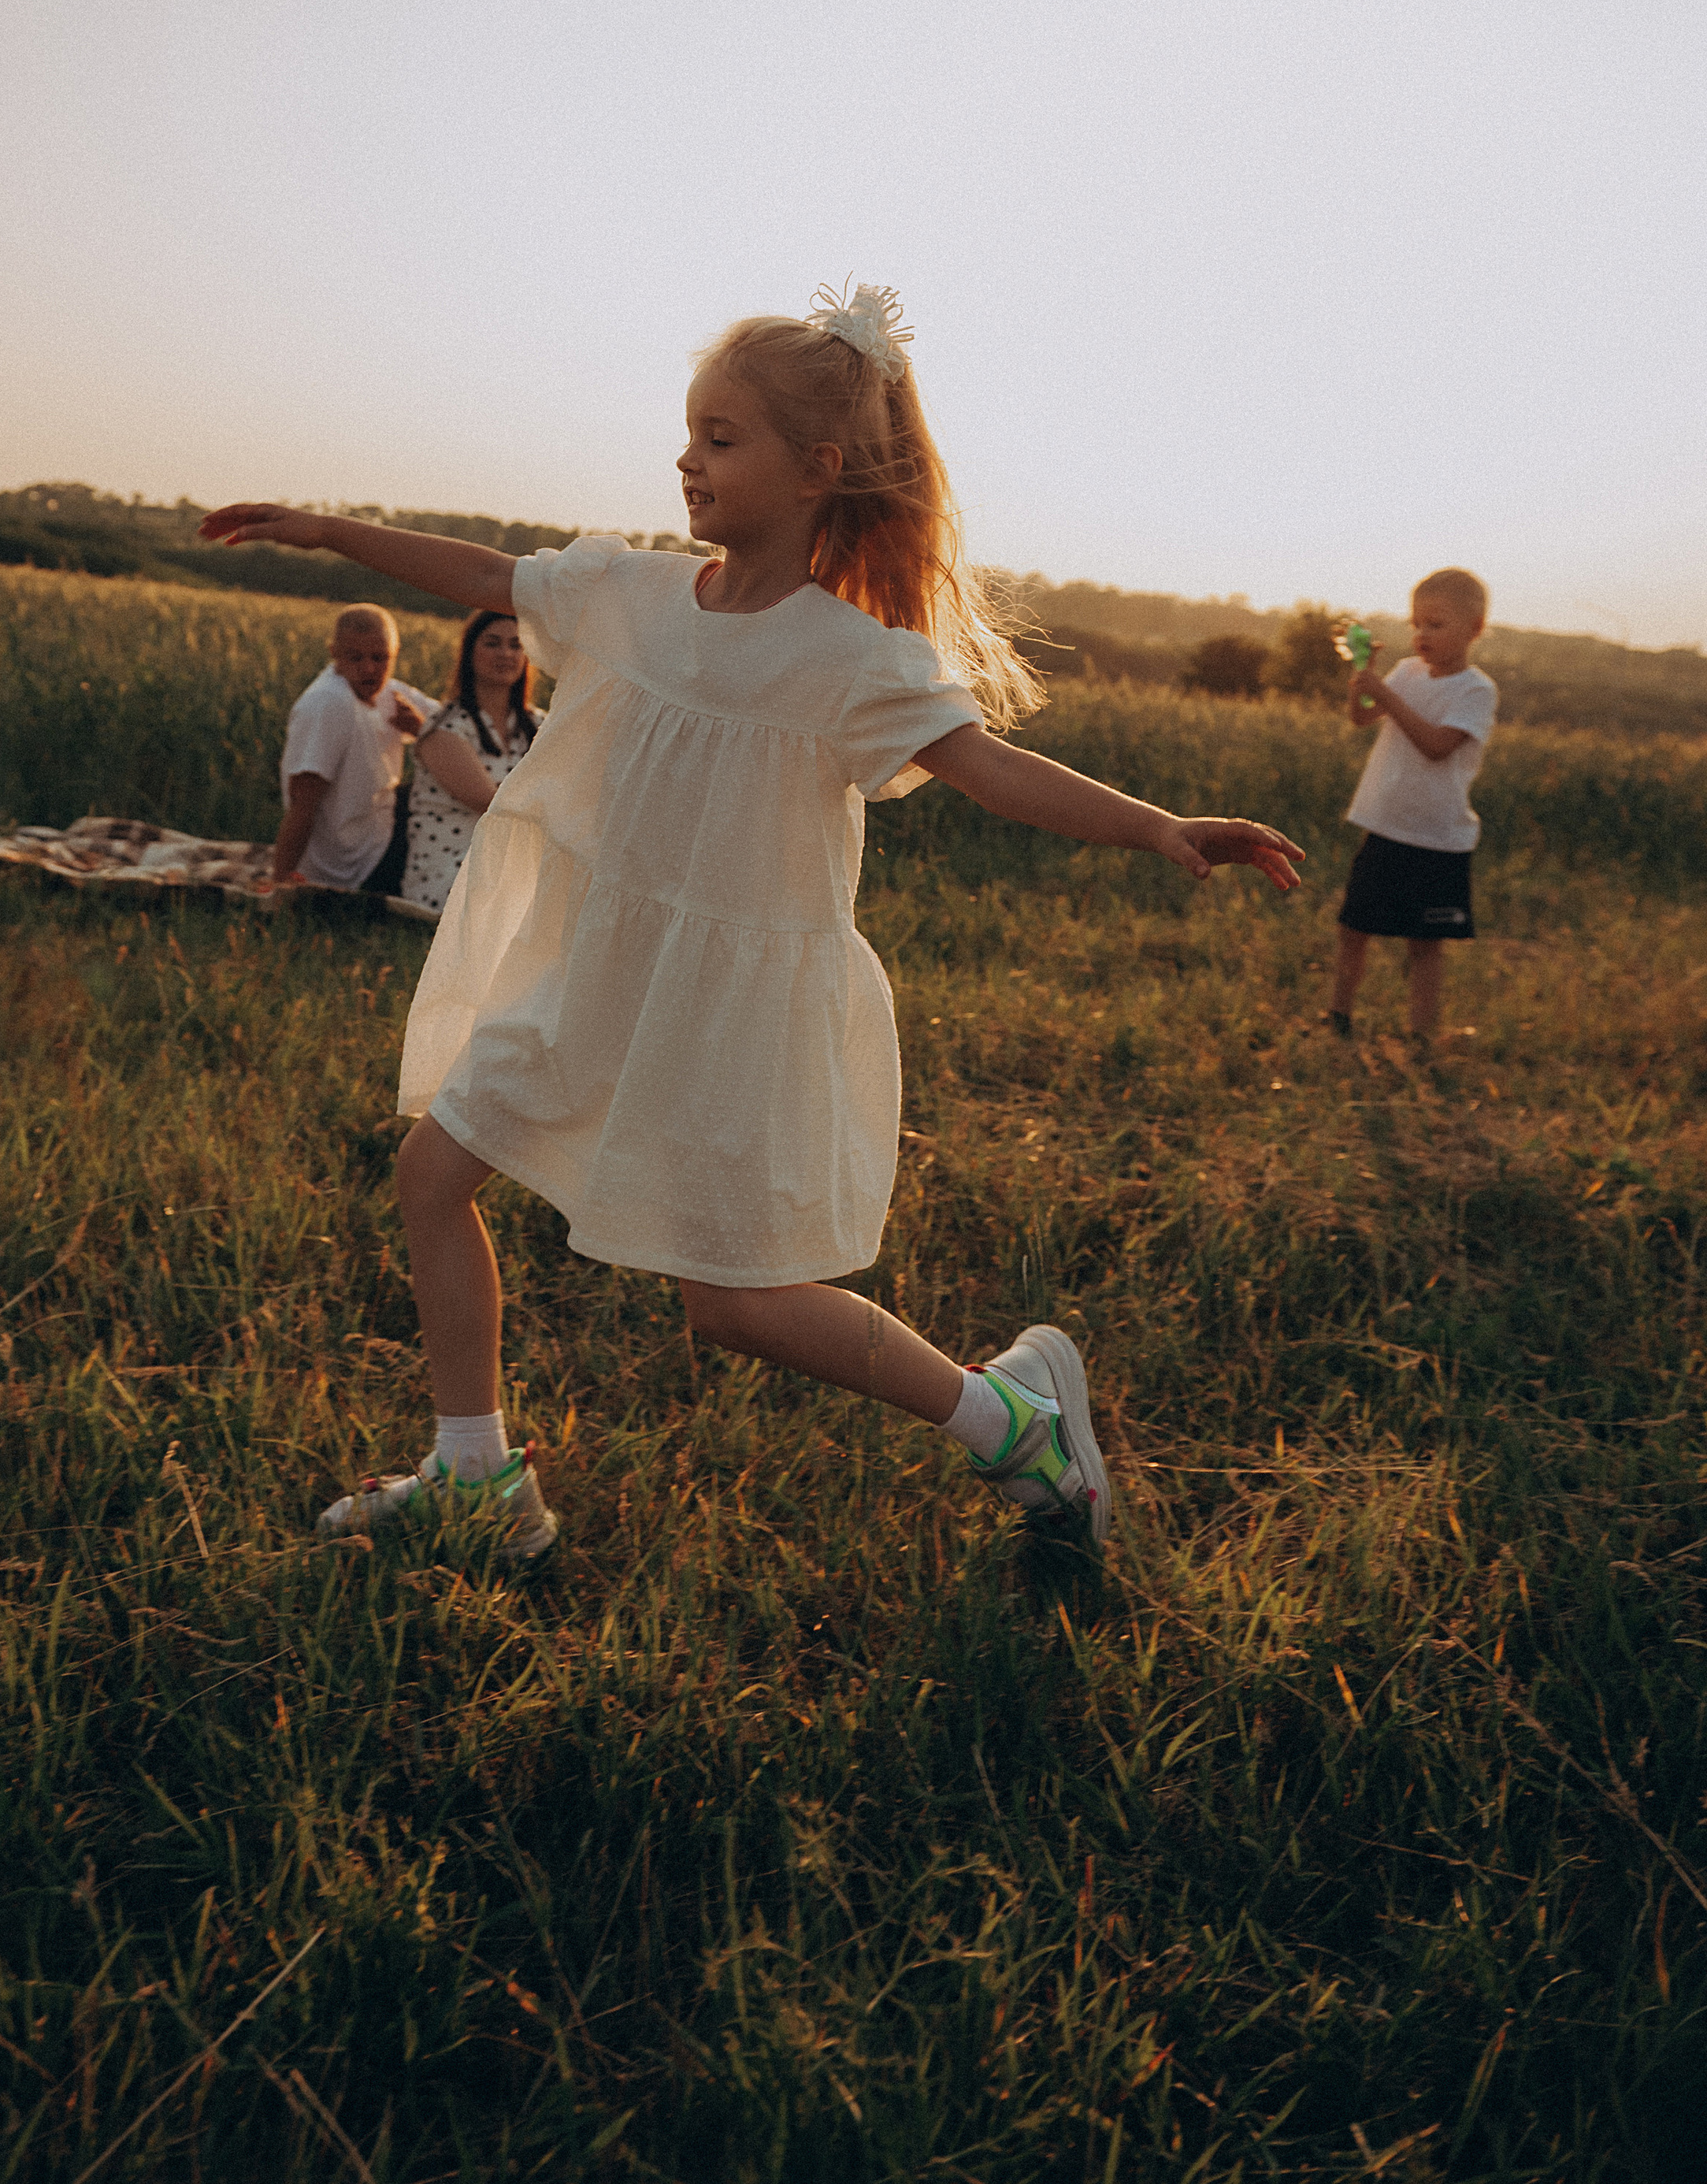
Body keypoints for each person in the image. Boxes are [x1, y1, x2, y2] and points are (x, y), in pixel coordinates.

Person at [202, 284, 1301, 1566]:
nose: (688, 458)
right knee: (435, 1173)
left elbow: (992, 768)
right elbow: (489, 577)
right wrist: (327, 526)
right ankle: (476, 1478)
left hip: (726, 1014)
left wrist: (1157, 824)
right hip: (598, 975)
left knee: (733, 1305)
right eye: (689, 433)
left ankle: (1012, 1422)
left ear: (816, 469)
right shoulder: (635, 595)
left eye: (723, 439)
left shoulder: (851, 659)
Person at [1329, 570, 1497, 1044]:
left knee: (1425, 945)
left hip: (1437, 840)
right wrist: (1362, 681)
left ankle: (1420, 1037)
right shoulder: (1404, 672)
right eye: (1417, 624)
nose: (1422, 635)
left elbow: (1436, 746)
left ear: (1474, 628)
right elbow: (1361, 717)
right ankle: (1339, 1018)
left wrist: (1385, 694)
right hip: (1385, 826)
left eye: (1437, 625)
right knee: (1352, 929)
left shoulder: (1476, 691)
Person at [274, 604, 439, 896]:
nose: (369, 669)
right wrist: (281, 882)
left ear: (394, 654)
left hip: (378, 831)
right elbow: (303, 800)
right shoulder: (329, 704)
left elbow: (456, 724)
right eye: (355, 658)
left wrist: (420, 728)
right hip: (354, 864)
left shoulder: (390, 693)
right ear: (334, 653)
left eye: (380, 658)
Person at [402, 611, 542, 917]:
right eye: (492, 644)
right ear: (469, 654)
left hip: (516, 857)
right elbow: (495, 804)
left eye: (516, 646)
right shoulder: (444, 730)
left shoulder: (538, 725)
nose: (506, 654)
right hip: (454, 864)